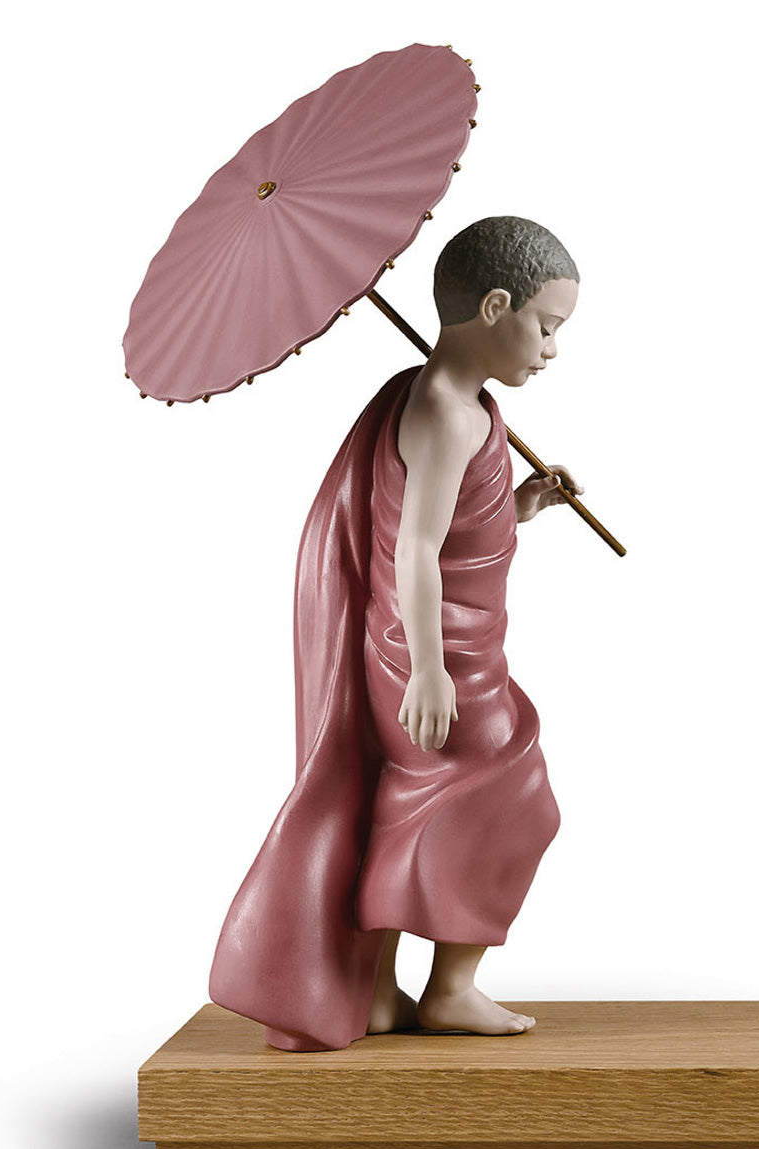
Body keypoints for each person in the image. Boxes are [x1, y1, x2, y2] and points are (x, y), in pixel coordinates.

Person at [209, 216, 582, 1051]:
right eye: (547, 327)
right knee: (514, 800)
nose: (553, 349)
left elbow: (453, 530)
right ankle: (450, 989)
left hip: (451, 643)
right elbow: (414, 547)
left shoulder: (451, 399)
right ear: (496, 307)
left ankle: (376, 992)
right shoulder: (447, 412)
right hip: (434, 653)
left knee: (408, 806)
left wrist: (520, 503)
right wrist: (428, 672)